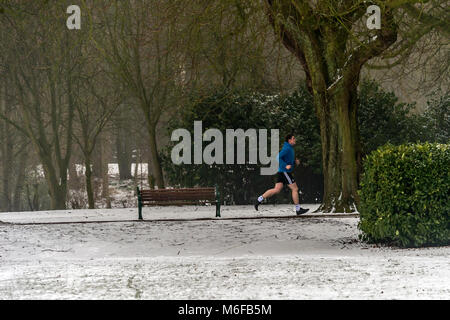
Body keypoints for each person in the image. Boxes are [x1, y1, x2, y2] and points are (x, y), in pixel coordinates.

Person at [254, 134, 309, 215]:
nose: (295, 140)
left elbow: (287, 160)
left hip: (282, 172)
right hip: (284, 172)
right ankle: (298, 209)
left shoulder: (289, 148)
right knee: (295, 189)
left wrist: (294, 162)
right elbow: (278, 157)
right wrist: (285, 165)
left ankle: (259, 199)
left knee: (277, 189)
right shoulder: (287, 148)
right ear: (289, 140)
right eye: (293, 138)